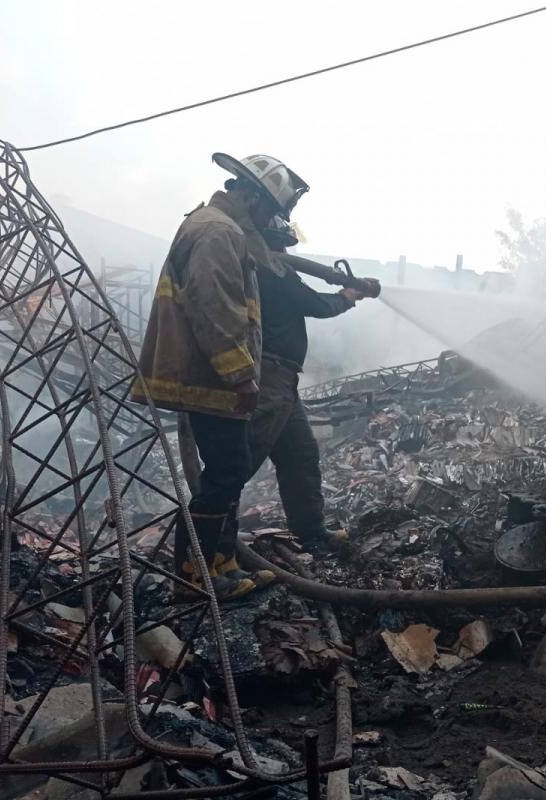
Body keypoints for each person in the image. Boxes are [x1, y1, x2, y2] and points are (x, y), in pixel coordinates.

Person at [131, 153, 308, 600]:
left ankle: (220, 562)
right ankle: (194, 575)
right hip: (209, 378)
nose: (269, 222)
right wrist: (241, 376)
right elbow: (216, 308)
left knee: (229, 469)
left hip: (209, 375)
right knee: (226, 472)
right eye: (270, 211)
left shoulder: (220, 228)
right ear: (251, 197)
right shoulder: (218, 231)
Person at [248, 217, 378, 541]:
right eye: (283, 244)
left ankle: (311, 535)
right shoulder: (270, 270)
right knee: (240, 462)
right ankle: (211, 545)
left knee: (300, 453)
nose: (286, 251)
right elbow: (316, 304)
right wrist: (348, 295)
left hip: (282, 381)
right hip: (269, 379)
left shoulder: (268, 267)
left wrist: (348, 292)